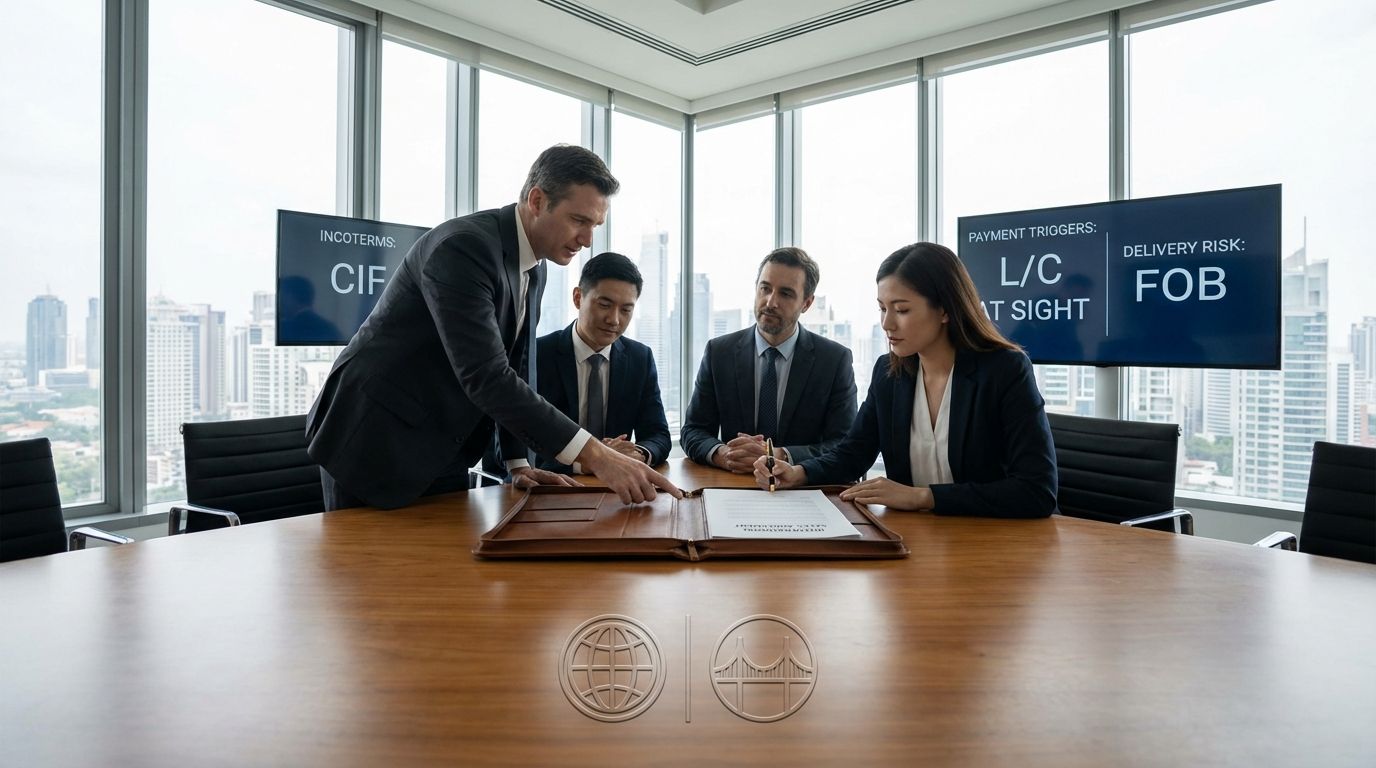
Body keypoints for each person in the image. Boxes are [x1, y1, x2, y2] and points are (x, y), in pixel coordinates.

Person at [305, 144, 681, 510]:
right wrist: (598, 456)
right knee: (365, 572)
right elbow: (487, 375)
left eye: (595, 225)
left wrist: (519, 464)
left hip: (442, 445)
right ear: (537, 201)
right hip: (373, 439)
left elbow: (516, 363)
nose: (587, 240)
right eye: (579, 221)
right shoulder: (463, 247)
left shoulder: (536, 267)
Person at [754, 242, 1057, 518]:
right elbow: (853, 454)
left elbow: (1036, 491)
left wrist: (922, 498)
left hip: (994, 545)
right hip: (916, 540)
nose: (886, 323)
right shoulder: (890, 373)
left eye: (901, 310)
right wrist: (797, 473)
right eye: (882, 309)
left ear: (944, 310)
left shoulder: (1004, 370)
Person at [680, 247, 857, 473]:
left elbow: (844, 443)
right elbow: (693, 430)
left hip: (803, 490)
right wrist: (725, 454)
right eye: (765, 288)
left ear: (807, 303)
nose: (770, 302)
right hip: (733, 485)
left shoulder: (833, 360)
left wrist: (779, 454)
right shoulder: (719, 352)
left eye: (785, 293)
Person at [500, 251, 671, 473]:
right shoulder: (536, 355)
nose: (614, 319)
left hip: (618, 492)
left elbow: (658, 435)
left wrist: (637, 453)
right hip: (550, 488)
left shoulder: (640, 358)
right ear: (578, 297)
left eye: (626, 310)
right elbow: (516, 446)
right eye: (604, 304)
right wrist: (593, 462)